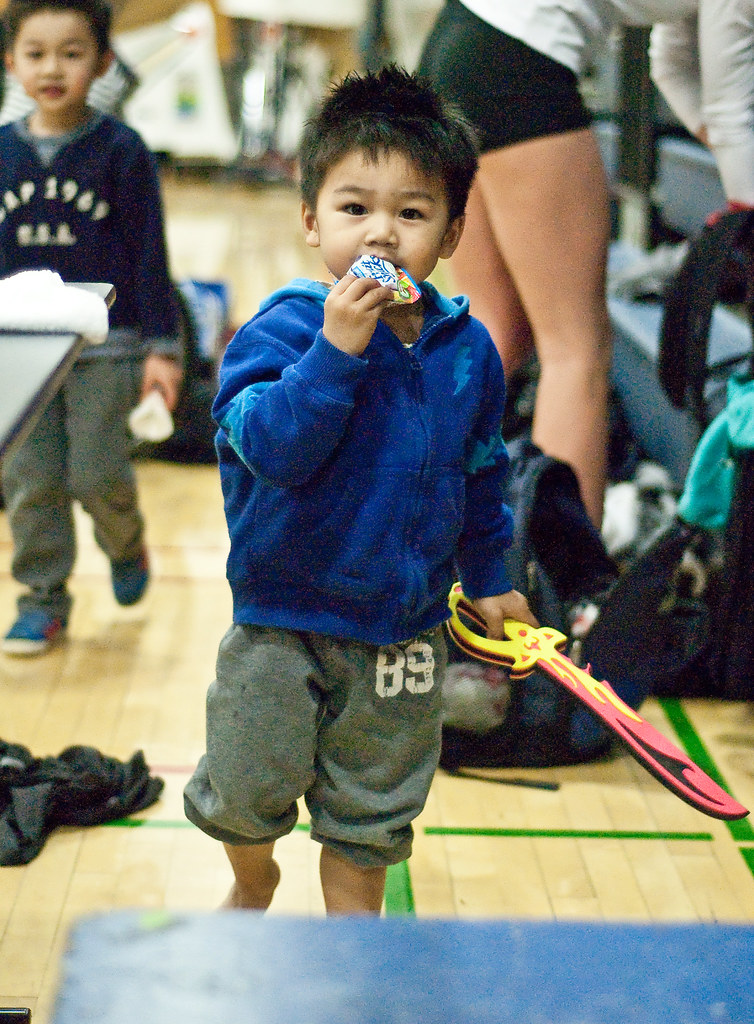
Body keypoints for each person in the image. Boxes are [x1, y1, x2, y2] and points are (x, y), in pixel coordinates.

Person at [183, 65, 537, 916]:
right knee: (243, 789)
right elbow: (273, 449)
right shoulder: (283, 330)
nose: (381, 233)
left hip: (402, 627)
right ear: (311, 220)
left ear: (450, 233)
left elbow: (483, 470)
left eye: (412, 214)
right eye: (354, 208)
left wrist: (490, 577)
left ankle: (352, 948)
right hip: (281, 616)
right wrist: (336, 353)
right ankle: (252, 878)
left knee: (372, 814)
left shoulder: (467, 350)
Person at [418, 0, 754, 529]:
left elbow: (672, 58)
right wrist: (746, 209)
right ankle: (566, 585)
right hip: (517, 64)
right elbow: (732, 105)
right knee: (576, 352)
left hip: (460, 43)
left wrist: (716, 139)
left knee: (495, 334)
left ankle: (385, 528)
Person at [0, 0, 181, 656]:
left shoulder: (123, 151)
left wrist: (165, 349)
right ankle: (41, 600)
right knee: (29, 481)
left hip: (108, 346)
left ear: (103, 62)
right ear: (11, 62)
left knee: (96, 474)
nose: (53, 68)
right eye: (37, 52)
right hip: (17, 347)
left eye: (72, 53)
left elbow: (149, 256)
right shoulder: (0, 152)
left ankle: (125, 543)